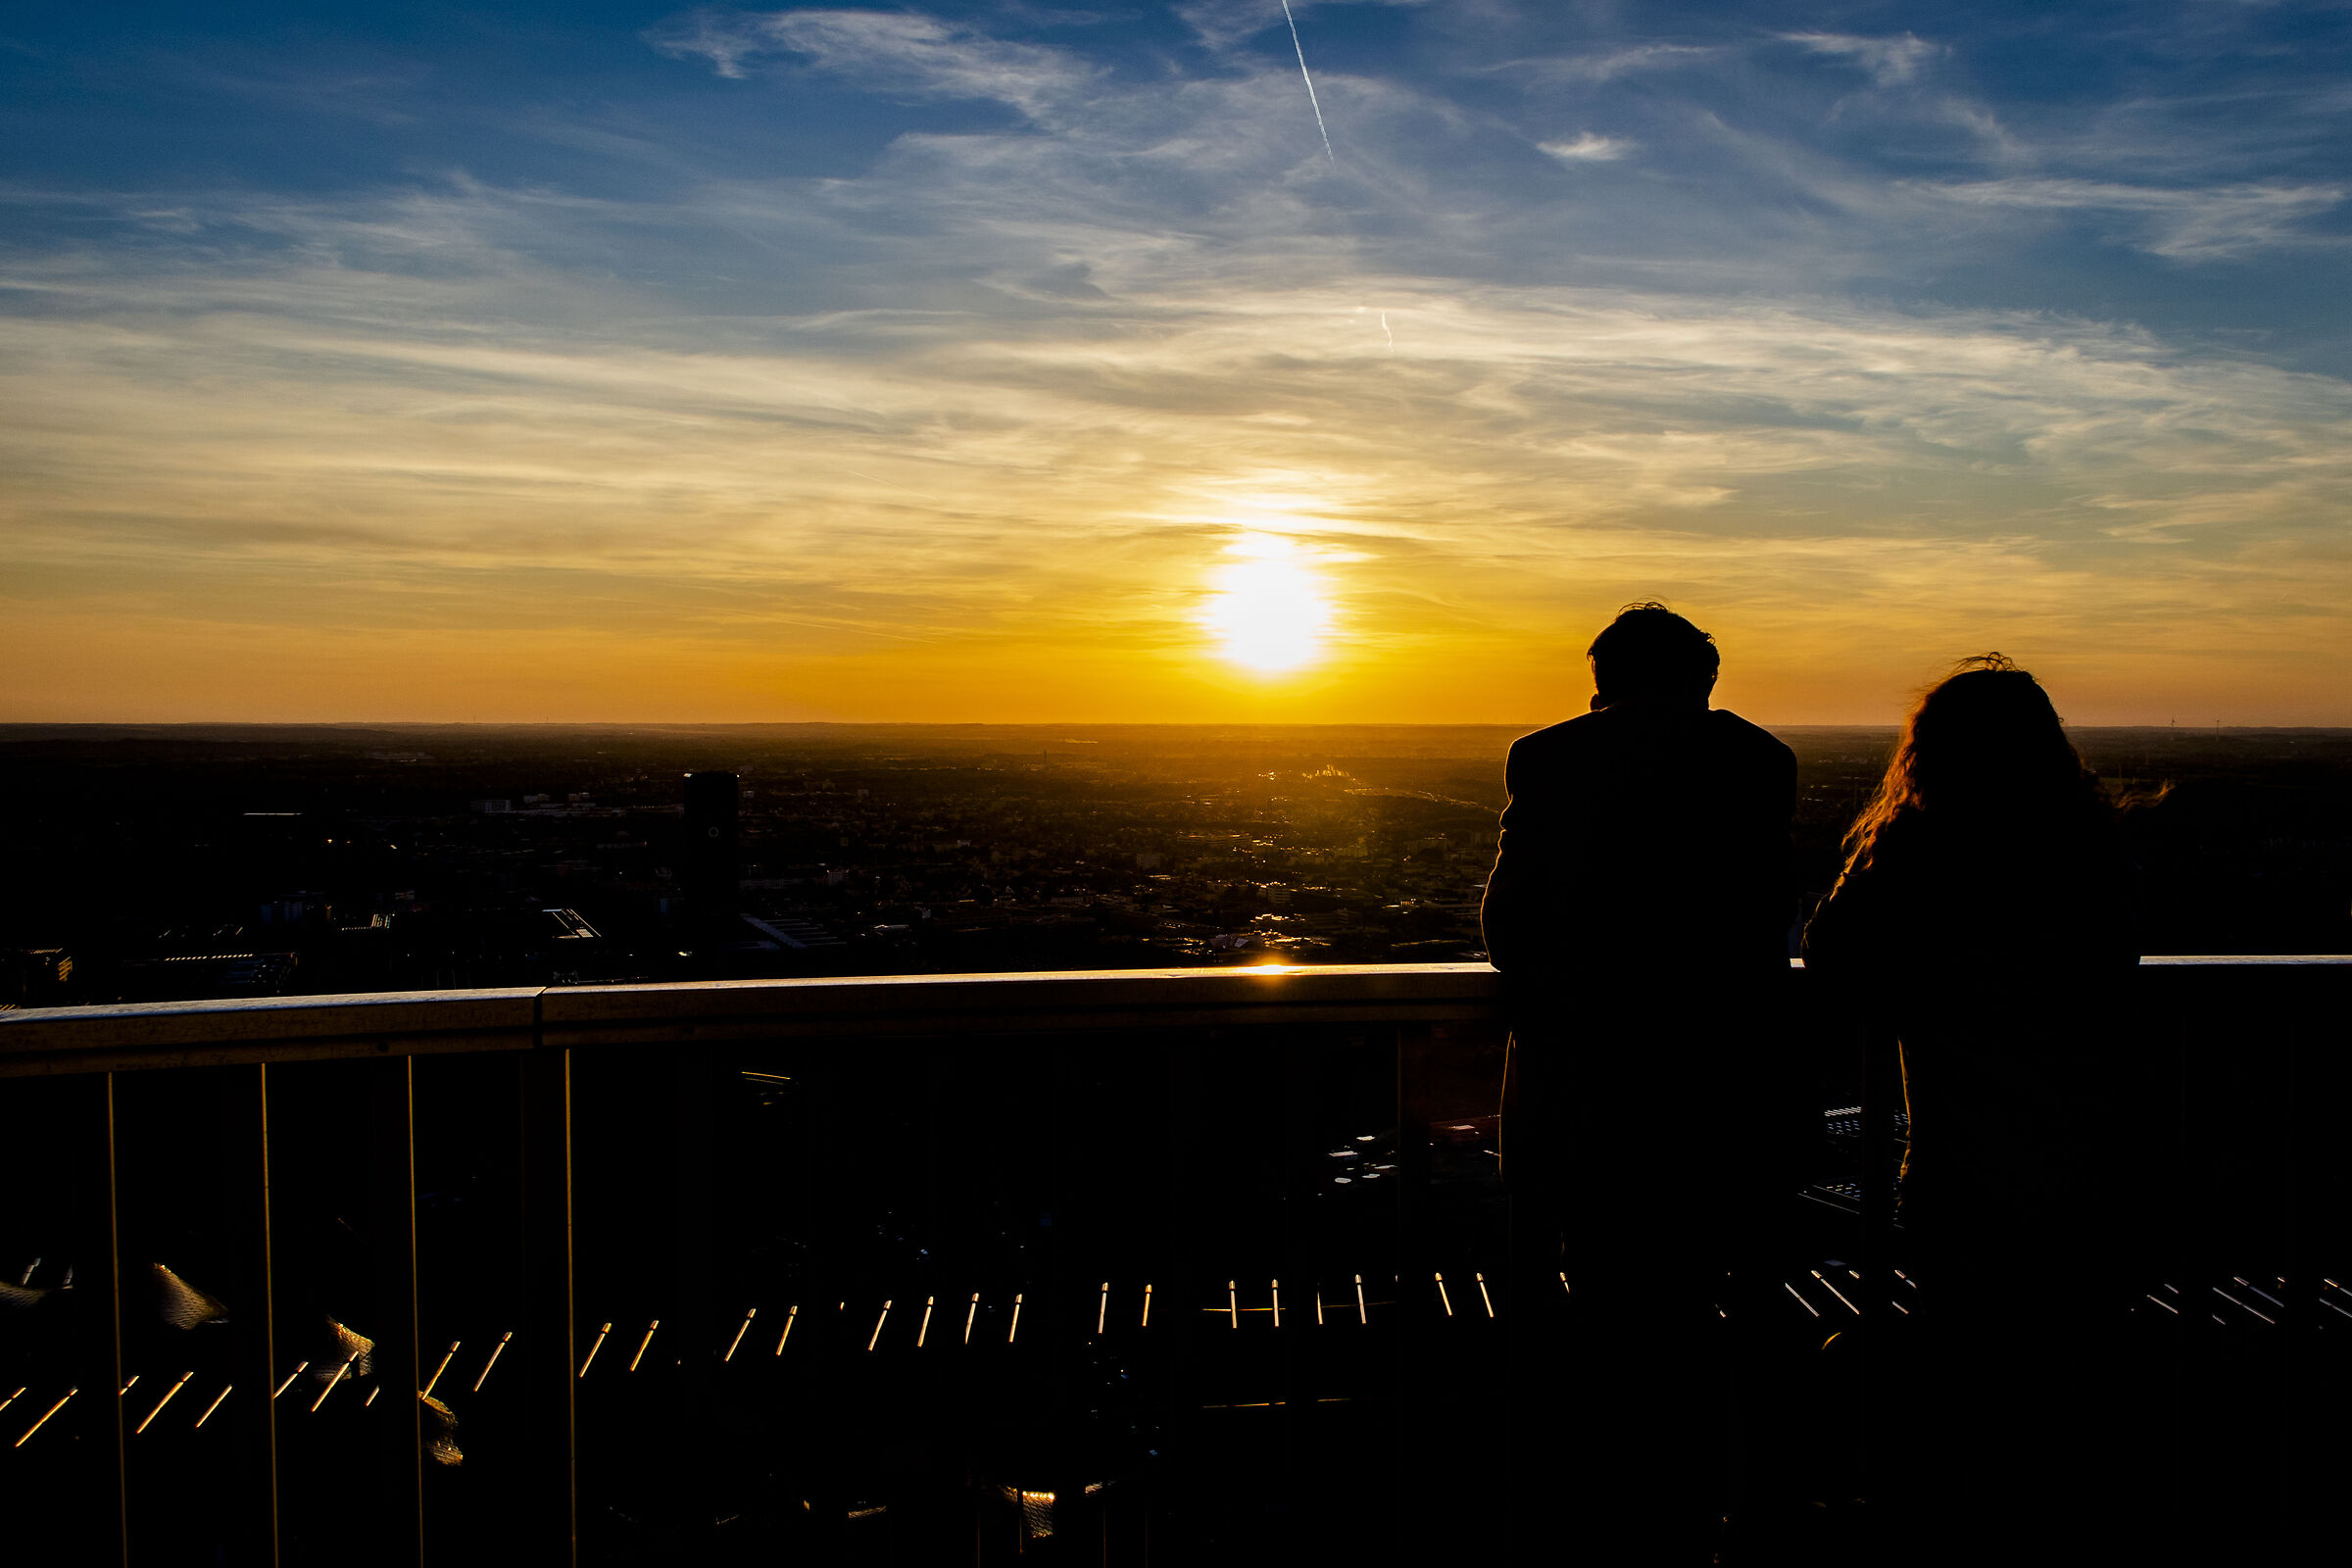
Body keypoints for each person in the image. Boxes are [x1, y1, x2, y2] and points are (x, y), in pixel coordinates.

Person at [1802, 655, 2153, 1559]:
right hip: (2097, 1158)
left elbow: (1832, 951)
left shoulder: (1921, 847)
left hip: (1966, 1164)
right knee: (2072, 1383)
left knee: (1974, 1378)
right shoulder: (2090, 841)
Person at [1483, 602, 1806, 1563]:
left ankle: (1610, 1528)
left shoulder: (1546, 760)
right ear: (1704, 680)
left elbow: (1508, 930)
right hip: (1728, 1088)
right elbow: (1766, 922)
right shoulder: (1761, 762)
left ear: (1601, 680)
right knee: (1742, 1314)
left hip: (1590, 1090)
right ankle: (1743, 1517)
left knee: (1607, 1318)